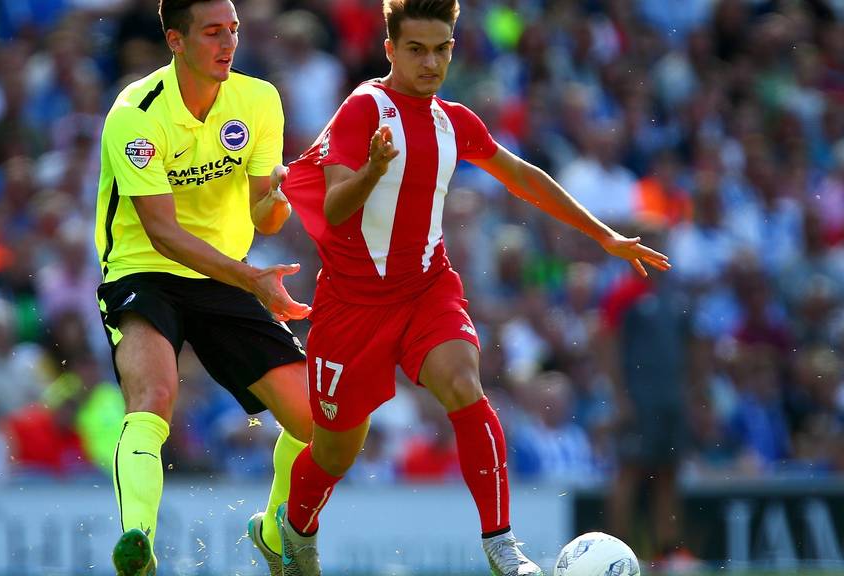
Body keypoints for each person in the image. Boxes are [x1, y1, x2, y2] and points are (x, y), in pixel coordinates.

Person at [276, 1, 671, 575]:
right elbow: (336, 208)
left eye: (442, 48)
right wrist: (371, 171)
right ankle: (296, 527)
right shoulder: (365, 108)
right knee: (336, 451)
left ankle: (501, 546)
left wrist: (607, 235)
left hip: (426, 289)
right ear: (390, 50)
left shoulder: (452, 120)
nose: (430, 62)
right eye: (416, 49)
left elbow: (523, 177)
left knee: (464, 384)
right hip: (352, 306)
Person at [93, 1, 314, 575]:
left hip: (223, 273)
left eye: (233, 31)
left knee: (320, 424)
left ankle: (273, 530)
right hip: (143, 270)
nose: (228, 43)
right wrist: (252, 280)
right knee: (154, 395)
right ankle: (137, 540)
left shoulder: (259, 99)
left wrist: (275, 201)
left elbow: (263, 215)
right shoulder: (135, 112)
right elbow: (162, 234)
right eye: (213, 32)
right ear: (175, 39)